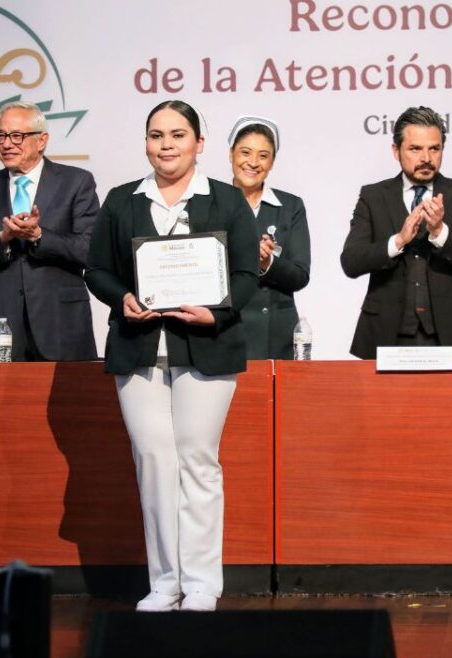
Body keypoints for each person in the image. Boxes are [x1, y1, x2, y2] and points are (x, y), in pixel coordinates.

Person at [84, 101, 258, 612]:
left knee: (199, 462)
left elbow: (246, 275)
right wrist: (122, 298)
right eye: (156, 135)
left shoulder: (225, 201)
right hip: (138, 350)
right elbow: (97, 269)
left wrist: (217, 313)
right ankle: (164, 582)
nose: (166, 144)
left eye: (178, 135)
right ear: (145, 143)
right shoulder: (122, 201)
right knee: (154, 463)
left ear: (199, 144)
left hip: (207, 347)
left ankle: (203, 584)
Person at [0, 102, 98, 361]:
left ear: (41, 141)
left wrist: (39, 236)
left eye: (17, 136)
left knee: (72, 401)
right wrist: (2, 239)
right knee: (1, 401)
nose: (7, 144)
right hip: (0, 322)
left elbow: (90, 250)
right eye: (1, 136)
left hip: (60, 322)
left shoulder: (76, 182)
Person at [340, 106, 452, 358]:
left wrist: (440, 233)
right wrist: (397, 241)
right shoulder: (373, 196)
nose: (426, 158)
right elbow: (351, 261)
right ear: (395, 151)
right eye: (415, 149)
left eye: (434, 148)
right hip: (386, 334)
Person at [226, 115, 311, 359]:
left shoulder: (290, 206)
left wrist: (267, 264)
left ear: (272, 162)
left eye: (263, 155)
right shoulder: (212, 202)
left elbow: (300, 275)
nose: (253, 162)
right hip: (225, 329)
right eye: (245, 152)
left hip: (275, 333)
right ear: (230, 154)